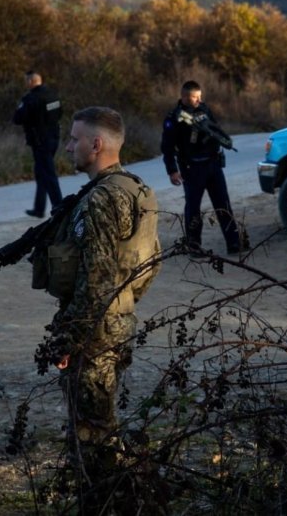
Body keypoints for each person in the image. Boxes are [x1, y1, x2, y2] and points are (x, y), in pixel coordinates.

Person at [34, 106, 161, 502]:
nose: (68, 146)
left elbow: (98, 279)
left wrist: (70, 338)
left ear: (96, 143)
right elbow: (149, 262)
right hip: (116, 323)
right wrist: (123, 307)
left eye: (74, 139)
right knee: (102, 426)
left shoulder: (102, 200)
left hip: (93, 335)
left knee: (92, 439)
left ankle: (111, 503)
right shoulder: (136, 188)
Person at [160, 80, 247, 255]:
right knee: (193, 209)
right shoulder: (174, 118)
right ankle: (194, 246)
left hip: (212, 165)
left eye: (200, 97)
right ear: (184, 97)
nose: (198, 100)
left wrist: (221, 139)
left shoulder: (204, 110)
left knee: (223, 205)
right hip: (191, 168)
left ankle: (234, 243)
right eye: (194, 97)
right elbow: (167, 147)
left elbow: (216, 129)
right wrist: (172, 170)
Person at [13, 71, 63, 218]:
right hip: (54, 138)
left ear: (30, 82)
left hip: (40, 142)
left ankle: (59, 208)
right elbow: (60, 113)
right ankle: (39, 208)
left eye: (26, 81)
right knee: (41, 173)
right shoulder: (53, 94)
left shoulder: (30, 98)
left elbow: (17, 118)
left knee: (48, 174)